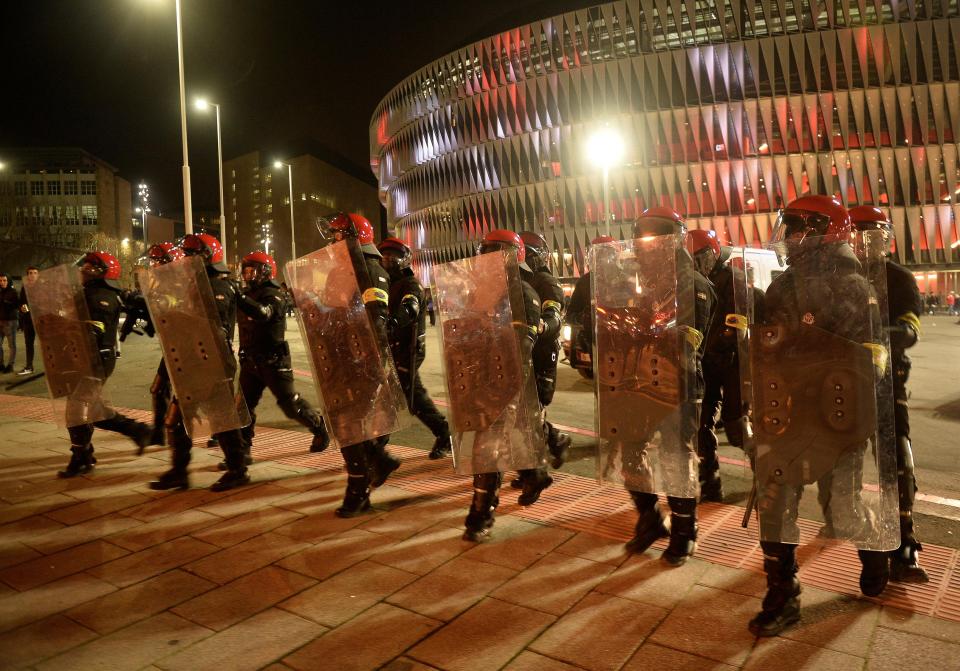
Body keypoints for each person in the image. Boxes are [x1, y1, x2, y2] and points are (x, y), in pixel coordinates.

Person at [746, 196, 892, 636]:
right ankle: (782, 593)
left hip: (835, 420)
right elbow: (769, 345)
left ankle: (874, 548)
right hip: (788, 415)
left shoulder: (853, 287)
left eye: (793, 227)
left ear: (820, 231)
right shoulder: (782, 286)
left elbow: (869, 363)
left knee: (842, 509)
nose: (787, 237)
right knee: (775, 505)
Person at [600, 207, 715, 566]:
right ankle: (648, 517)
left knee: (677, 458)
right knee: (631, 451)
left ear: (670, 241)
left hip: (676, 385)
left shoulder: (691, 283)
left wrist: (651, 330)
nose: (644, 249)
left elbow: (689, 340)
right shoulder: (638, 282)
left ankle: (685, 531)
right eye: (640, 242)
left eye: (651, 242)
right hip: (636, 381)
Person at [850, 205, 928, 583]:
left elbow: (909, 329)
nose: (866, 245)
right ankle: (849, 521)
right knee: (837, 461)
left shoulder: (897, 278)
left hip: (885, 378)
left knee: (897, 458)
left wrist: (877, 341)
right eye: (858, 236)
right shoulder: (835, 278)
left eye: (874, 236)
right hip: (838, 381)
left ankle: (904, 537)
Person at [148, 234, 250, 492]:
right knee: (176, 419)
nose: (186, 259)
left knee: (222, 420)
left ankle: (238, 470)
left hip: (212, 361)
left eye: (192, 254)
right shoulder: (191, 286)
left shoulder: (219, 287)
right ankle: (179, 471)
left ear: (207, 257)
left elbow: (213, 329)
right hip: (190, 361)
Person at [462, 229, 542, 542]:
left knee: (488, 446)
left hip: (506, 382)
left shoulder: (523, 293)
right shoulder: (479, 291)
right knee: (501, 443)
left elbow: (521, 347)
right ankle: (535, 475)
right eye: (485, 253)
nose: (488, 259)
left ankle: (481, 513)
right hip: (481, 380)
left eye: (495, 252)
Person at [324, 212, 402, 517]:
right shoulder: (340, 270)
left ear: (354, 238)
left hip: (362, 360)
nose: (332, 241)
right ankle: (378, 462)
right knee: (346, 425)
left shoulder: (371, 269)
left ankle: (358, 490)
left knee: (350, 426)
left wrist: (370, 361)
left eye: (337, 235)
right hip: (341, 358)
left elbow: (376, 318)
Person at [55, 252, 154, 477]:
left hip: (95, 360)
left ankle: (82, 456)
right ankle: (136, 431)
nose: (83, 270)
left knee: (76, 409)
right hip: (84, 358)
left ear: (101, 271)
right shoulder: (87, 293)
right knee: (95, 410)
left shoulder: (104, 295)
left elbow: (95, 326)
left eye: (89, 267)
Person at [687, 230, 765, 502]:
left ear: (712, 253)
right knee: (700, 426)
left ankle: (768, 476)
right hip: (705, 362)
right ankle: (710, 483)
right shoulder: (692, 282)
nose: (696, 264)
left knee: (737, 427)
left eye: (699, 257)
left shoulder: (734, 279)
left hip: (733, 364)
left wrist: (717, 343)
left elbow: (737, 327)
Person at [236, 250, 330, 463]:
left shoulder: (274, 293)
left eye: (251, 271)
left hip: (273, 360)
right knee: (242, 408)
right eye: (245, 271)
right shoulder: (246, 294)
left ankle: (318, 426)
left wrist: (238, 297)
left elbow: (264, 313)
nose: (247, 276)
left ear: (265, 272)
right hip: (250, 360)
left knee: (290, 405)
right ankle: (242, 452)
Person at [377, 237, 452, 460]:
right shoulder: (384, 282)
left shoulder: (410, 284)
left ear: (405, 259)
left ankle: (377, 448)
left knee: (397, 396)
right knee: (409, 396)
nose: (389, 258)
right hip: (391, 348)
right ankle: (444, 434)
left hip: (408, 350)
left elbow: (410, 307)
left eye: (394, 255)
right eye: (385, 254)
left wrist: (393, 322)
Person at [565, 235, 615, 378]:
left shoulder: (626, 278)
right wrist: (585, 317)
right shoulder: (584, 283)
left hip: (624, 342)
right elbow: (570, 315)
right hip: (596, 344)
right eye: (596, 254)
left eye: (604, 254)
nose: (600, 259)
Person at [16, 267, 39, 375]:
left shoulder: (42, 287)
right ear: (27, 275)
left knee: (46, 344)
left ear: (38, 275)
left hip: (40, 320)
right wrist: (22, 307)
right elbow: (21, 302)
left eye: (35, 273)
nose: (32, 275)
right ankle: (29, 366)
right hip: (28, 320)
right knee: (28, 344)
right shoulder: (24, 288)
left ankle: (52, 367)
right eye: (30, 273)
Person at [0, 273, 18, 373]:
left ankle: (10, 365)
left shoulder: (13, 292)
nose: (2, 282)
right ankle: (1, 364)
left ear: (8, 281)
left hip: (10, 321)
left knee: (11, 345)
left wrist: (6, 302)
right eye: (0, 280)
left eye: (4, 280)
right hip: (0, 321)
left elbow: (17, 305)